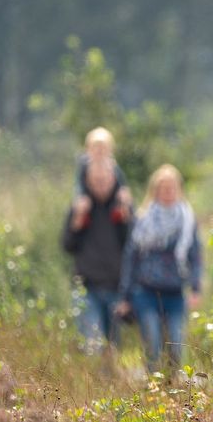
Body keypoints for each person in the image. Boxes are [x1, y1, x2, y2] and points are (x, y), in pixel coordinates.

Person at [116, 165, 202, 374]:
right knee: (153, 344)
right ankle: (153, 390)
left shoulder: (187, 221)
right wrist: (124, 296)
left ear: (178, 190)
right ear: (155, 190)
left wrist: (196, 287)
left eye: (172, 188)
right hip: (146, 292)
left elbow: (195, 256)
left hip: (175, 294)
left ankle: (173, 391)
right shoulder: (142, 220)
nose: (168, 192)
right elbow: (131, 258)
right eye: (164, 188)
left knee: (176, 345)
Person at [61, 159, 131, 358]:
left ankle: (108, 388)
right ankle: (90, 387)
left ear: (113, 179)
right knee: (92, 347)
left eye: (105, 180)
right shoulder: (81, 207)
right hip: (87, 288)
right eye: (96, 180)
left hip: (116, 288)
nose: (101, 184)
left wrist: (127, 217)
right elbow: (67, 245)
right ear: (88, 181)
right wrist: (77, 219)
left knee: (113, 349)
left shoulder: (122, 207)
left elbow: (133, 246)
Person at [75, 127, 132, 218]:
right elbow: (79, 184)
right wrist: (81, 197)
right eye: (96, 147)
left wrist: (123, 195)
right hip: (90, 201)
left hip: (111, 202)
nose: (99, 150)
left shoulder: (113, 165)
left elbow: (121, 183)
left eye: (103, 147)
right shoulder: (84, 165)